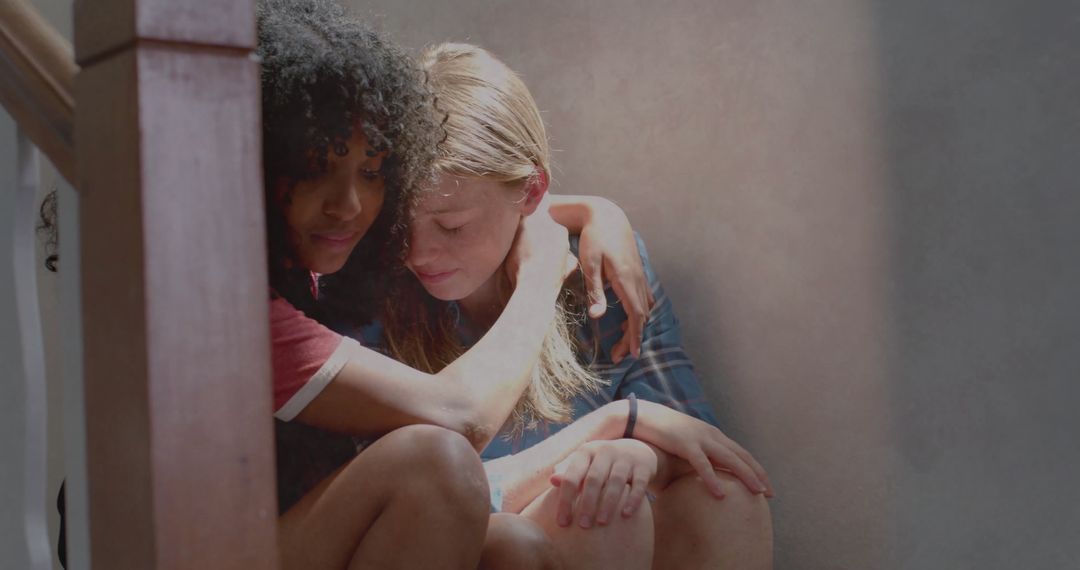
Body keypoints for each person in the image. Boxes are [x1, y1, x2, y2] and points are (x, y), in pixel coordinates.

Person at [56, 2, 656, 569]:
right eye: (317, 168)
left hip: (282, 530)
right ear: (257, 164)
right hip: (190, 549)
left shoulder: (324, 269)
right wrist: (542, 269)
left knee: (514, 548)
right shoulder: (227, 308)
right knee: (437, 462)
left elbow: (497, 199)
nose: (347, 205)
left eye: (371, 174)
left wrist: (584, 209)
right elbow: (460, 416)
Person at [380, 42, 776, 569]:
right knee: (591, 506)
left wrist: (639, 453)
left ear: (531, 192)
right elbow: (400, 504)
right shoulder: (373, 296)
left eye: (452, 226)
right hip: (455, 543)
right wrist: (607, 430)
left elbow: (690, 434)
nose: (418, 252)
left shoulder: (601, 270)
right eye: (400, 224)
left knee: (725, 495)